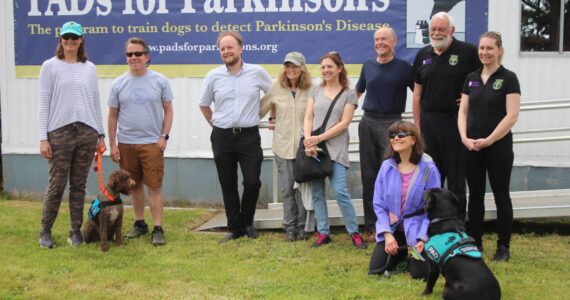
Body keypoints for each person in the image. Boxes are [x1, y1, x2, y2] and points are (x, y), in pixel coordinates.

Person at [37, 21, 106, 248]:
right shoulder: (50, 66)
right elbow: (43, 103)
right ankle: (45, 231)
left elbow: (95, 102)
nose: (70, 41)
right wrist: (43, 138)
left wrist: (101, 134)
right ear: (60, 40)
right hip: (60, 132)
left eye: (74, 37)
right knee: (57, 184)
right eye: (66, 37)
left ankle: (75, 231)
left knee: (78, 184)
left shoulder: (90, 68)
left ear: (81, 40)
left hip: (87, 132)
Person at [199, 31, 272, 244]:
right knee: (227, 183)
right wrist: (216, 124)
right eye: (222, 48)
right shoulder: (214, 76)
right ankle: (235, 227)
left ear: (241, 48)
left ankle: (247, 221)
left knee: (252, 182)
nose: (226, 51)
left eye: (230, 47)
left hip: (249, 137)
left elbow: (275, 94)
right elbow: (203, 104)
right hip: (222, 137)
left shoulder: (257, 73)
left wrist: (273, 114)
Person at [458, 31, 520, 262]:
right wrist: (464, 138)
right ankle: (475, 243)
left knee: (501, 196)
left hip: (498, 147)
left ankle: (503, 247)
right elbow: (463, 111)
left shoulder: (509, 78)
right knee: (474, 196)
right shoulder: (471, 77)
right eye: (481, 48)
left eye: (489, 48)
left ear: (499, 50)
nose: (484, 52)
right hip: (472, 146)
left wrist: (491, 139)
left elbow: (512, 116)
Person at [411, 12, 481, 212]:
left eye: (441, 29)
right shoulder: (423, 55)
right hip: (429, 124)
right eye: (433, 29)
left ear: (452, 30)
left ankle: (458, 227)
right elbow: (416, 95)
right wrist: (417, 125)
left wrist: (472, 97)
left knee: (457, 179)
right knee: (432, 177)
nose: (436, 33)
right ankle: (434, 226)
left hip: (455, 123)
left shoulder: (468, 51)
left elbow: (484, 79)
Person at [108, 37, 174, 246]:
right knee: (134, 186)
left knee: (154, 186)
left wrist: (163, 136)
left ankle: (157, 228)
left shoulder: (160, 81)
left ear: (147, 56)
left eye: (138, 53)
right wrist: (113, 144)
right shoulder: (118, 83)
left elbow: (169, 110)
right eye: (130, 54)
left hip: (152, 143)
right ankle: (139, 224)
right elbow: (112, 116)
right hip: (126, 143)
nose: (134, 58)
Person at [303, 51, 366, 249]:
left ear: (339, 69)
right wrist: (308, 141)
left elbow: (345, 122)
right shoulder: (315, 91)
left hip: (336, 147)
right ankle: (323, 232)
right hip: (314, 148)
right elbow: (308, 118)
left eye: (330, 66)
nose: (326, 70)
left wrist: (319, 138)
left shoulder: (348, 93)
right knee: (317, 192)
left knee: (340, 191)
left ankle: (354, 232)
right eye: (323, 67)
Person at [355, 27, 413, 236]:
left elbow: (420, 93)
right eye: (376, 39)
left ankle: (393, 221)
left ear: (394, 42)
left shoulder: (404, 67)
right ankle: (372, 224)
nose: (380, 43)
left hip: (393, 125)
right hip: (368, 122)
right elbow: (357, 92)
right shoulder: (368, 66)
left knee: (391, 175)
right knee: (369, 176)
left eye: (384, 39)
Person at [368, 121, 441, 278]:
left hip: (417, 230)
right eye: (392, 135)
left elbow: (433, 208)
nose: (396, 138)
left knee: (419, 274)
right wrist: (387, 234)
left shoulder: (429, 169)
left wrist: (423, 238)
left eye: (401, 135)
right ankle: (401, 253)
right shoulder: (386, 167)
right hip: (394, 229)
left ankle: (420, 253)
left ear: (413, 140)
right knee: (375, 269)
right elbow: (379, 204)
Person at [260, 52, 311, 242]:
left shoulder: (311, 89)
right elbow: (259, 109)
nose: (291, 70)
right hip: (282, 146)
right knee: (288, 188)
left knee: (304, 188)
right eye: (288, 66)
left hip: (305, 147)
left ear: (302, 68)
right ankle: (290, 226)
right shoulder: (276, 87)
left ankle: (303, 226)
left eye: (295, 66)